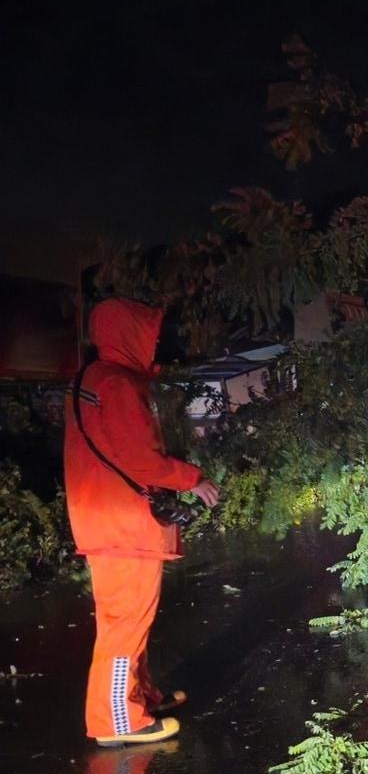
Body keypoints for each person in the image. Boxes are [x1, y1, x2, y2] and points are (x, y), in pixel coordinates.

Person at [64, 297, 221, 747]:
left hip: (106, 519)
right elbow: (141, 460)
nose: (157, 341)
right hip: (122, 525)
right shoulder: (117, 384)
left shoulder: (94, 379)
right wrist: (192, 480)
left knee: (130, 620)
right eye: (149, 332)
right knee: (124, 624)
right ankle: (117, 720)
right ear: (129, 334)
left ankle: (137, 696)